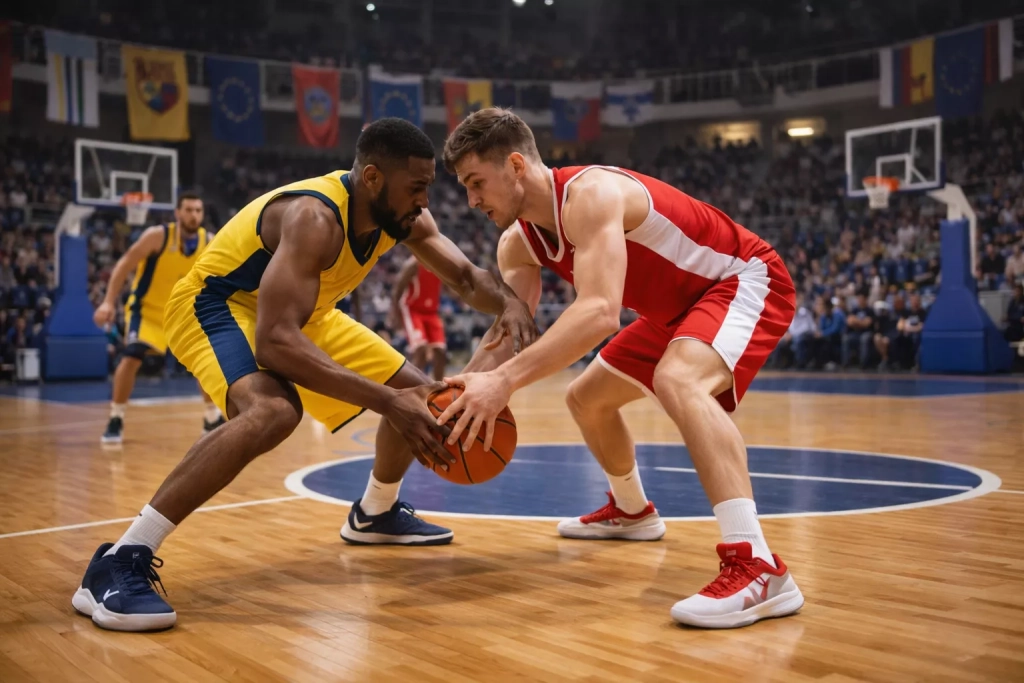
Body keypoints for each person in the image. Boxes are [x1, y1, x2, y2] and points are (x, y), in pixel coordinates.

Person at [72, 118, 537, 633]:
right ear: (374, 178)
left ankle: (374, 514)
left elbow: (468, 277)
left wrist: (513, 303)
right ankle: (120, 558)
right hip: (220, 305)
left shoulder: (405, 218)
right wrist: (386, 401)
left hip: (308, 315)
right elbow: (274, 341)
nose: (425, 201)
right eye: (417, 187)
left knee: (421, 396)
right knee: (274, 411)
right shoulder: (314, 217)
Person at [438, 107, 803, 629]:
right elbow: (509, 331)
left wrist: (502, 383)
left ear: (516, 165)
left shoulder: (593, 195)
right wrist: (459, 392)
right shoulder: (516, 242)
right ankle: (633, 512)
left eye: (477, 183)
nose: (471, 201)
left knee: (677, 378)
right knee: (586, 399)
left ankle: (758, 565)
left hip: (741, 279)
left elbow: (599, 313)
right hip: (673, 313)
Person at [92, 193, 224, 444]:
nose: (193, 215)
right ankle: (116, 418)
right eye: (188, 209)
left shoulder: (211, 241)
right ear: (177, 212)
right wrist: (108, 301)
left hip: (184, 315)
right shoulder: (158, 236)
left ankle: (211, 417)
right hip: (148, 312)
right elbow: (125, 264)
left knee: (204, 363)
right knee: (131, 357)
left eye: (198, 210)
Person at [391, 254, 447, 380]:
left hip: (432, 312)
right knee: (420, 350)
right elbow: (398, 289)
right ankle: (412, 386)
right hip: (413, 310)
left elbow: (447, 286)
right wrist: (395, 314)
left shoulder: (441, 264)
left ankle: (438, 389)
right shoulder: (413, 264)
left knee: (440, 352)